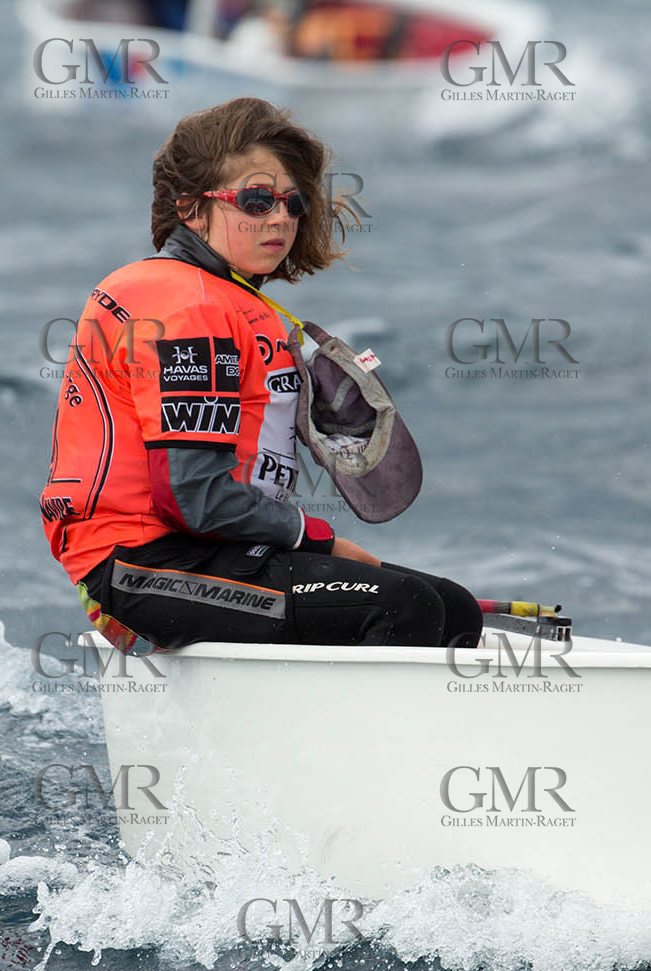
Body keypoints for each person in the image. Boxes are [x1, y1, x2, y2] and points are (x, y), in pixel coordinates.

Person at [39, 97, 481, 653]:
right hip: (141, 567)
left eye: (292, 203)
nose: (280, 218)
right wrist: (315, 540)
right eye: (255, 200)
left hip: (212, 550)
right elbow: (192, 495)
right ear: (190, 209)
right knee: (403, 605)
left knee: (453, 605)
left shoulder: (224, 299)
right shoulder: (188, 308)